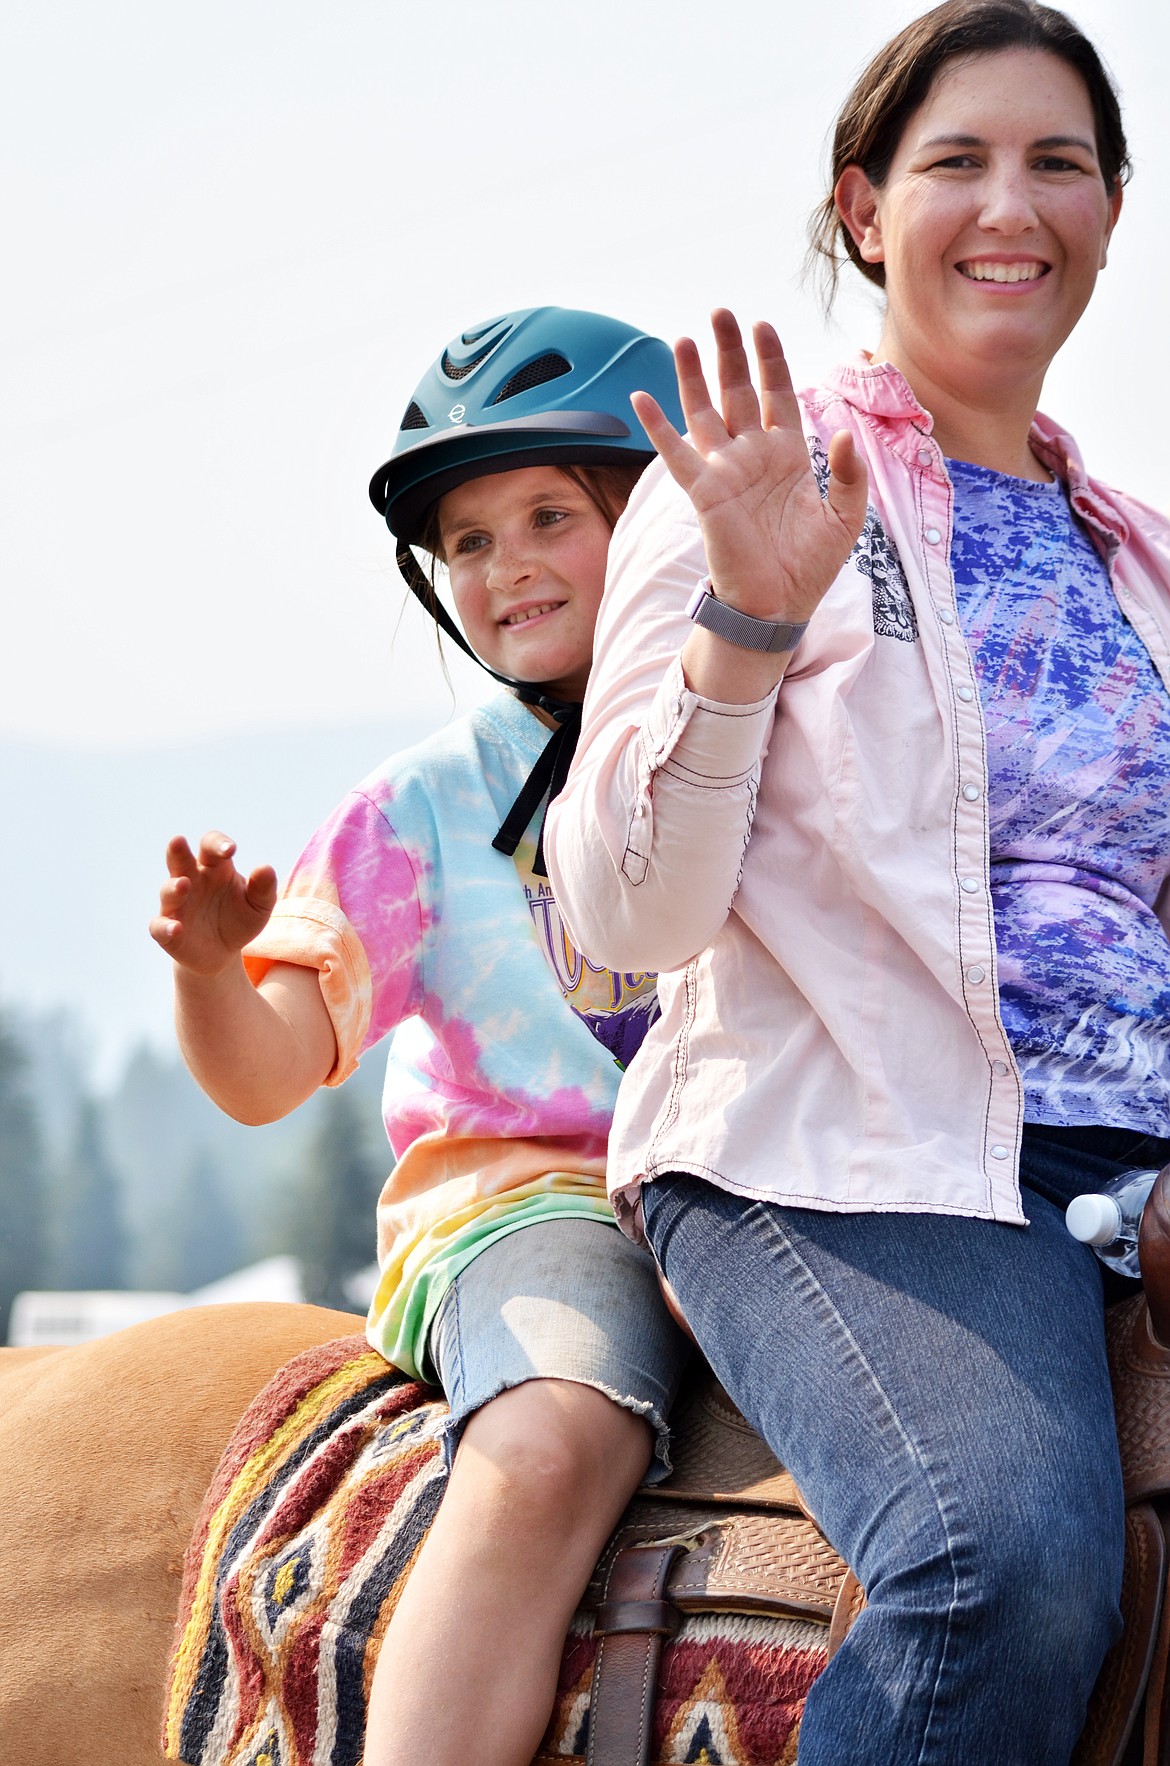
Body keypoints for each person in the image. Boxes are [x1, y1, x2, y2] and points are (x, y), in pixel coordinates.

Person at [544, 5, 1170, 1761]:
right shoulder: (757, 481)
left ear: (1110, 212)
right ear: (859, 210)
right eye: (954, 161)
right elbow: (625, 915)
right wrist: (745, 621)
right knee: (1003, 1565)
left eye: (1058, 162)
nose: (1010, 205)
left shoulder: (1133, 555)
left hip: (1131, 1146)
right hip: (845, 1151)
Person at [149, 306, 690, 1766]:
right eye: (464, 540)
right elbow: (269, 1070)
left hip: (762, 1182)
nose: (505, 564)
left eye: (545, 515)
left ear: (664, 524)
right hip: (537, 1200)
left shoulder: (773, 733)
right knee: (554, 1436)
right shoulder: (425, 805)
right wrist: (212, 970)